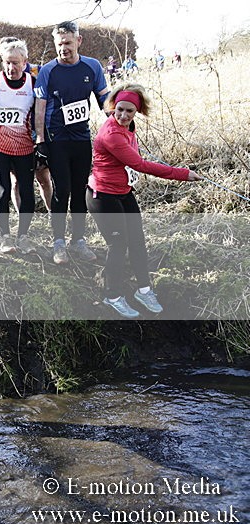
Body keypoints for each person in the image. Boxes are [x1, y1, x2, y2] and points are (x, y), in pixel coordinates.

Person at [87, 84, 202, 318]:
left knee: (137, 241)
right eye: (119, 109)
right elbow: (140, 165)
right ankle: (112, 296)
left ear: (136, 112)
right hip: (103, 196)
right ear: (112, 107)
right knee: (118, 245)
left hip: (123, 192)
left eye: (129, 111)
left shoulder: (129, 126)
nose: (123, 115)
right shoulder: (111, 134)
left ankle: (144, 290)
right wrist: (183, 174)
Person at [34, 21, 110, 264]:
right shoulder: (48, 71)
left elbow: (104, 99)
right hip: (56, 139)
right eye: (59, 44)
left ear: (79, 41)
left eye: (67, 43)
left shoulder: (93, 66)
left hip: (81, 139)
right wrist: (40, 139)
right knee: (62, 189)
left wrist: (119, 124)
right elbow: (40, 107)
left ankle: (78, 240)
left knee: (80, 190)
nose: (63, 49)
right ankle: (59, 243)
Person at [0, 39, 38, 254]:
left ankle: (23, 236)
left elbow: (41, 115)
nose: (11, 68)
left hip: (24, 147)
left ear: (25, 62)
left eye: (15, 63)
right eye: (7, 63)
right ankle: (5, 237)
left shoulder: (33, 83)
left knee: (28, 192)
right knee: (3, 190)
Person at [0, 36, 53, 214]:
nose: (11, 66)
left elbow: (45, 105)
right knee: (16, 182)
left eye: (15, 60)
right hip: (12, 139)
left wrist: (41, 136)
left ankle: (54, 215)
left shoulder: (36, 75)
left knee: (43, 178)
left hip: (34, 136)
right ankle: (23, 220)